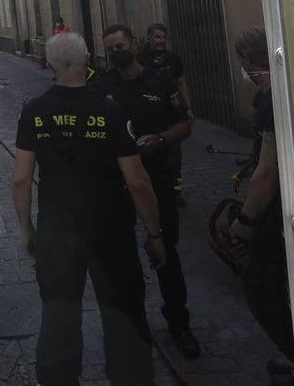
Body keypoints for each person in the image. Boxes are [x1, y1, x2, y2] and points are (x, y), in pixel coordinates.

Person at [13, 32, 164, 385]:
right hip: (109, 231)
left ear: (49, 64)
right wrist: (155, 233)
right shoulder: (109, 109)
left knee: (59, 314)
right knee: (122, 313)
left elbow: (21, 180)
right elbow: (138, 181)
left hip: (57, 230)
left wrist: (26, 230)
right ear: (87, 62)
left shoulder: (34, 111)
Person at [95, 24, 200, 358]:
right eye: (109, 49)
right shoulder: (101, 86)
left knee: (167, 252)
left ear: (134, 44)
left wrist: (162, 139)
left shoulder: (159, 81)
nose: (115, 53)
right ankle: (132, 324)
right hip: (117, 186)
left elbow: (185, 124)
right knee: (122, 257)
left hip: (158, 180)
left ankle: (179, 323)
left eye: (120, 46)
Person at [230, 27, 294, 383]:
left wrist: (245, 219)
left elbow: (267, 171)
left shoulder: (273, 101)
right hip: (287, 202)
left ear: (248, 58)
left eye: (241, 57)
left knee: (260, 285)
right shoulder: (271, 94)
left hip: (278, 206)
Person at [139, 23, 192, 207]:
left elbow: (182, 82)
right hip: (150, 110)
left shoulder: (172, 58)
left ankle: (175, 192)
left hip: (172, 110)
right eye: (157, 37)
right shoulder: (141, 58)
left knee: (174, 154)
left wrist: (188, 108)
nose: (161, 41)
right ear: (149, 38)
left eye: (163, 37)